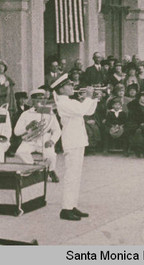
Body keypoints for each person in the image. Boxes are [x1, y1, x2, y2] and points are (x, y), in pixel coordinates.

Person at [51, 73, 99, 221]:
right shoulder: (63, 102)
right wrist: (89, 97)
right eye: (69, 85)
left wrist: (94, 99)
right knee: (71, 176)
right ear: (61, 89)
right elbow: (81, 110)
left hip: (78, 140)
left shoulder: (71, 101)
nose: (73, 87)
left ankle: (72, 205)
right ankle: (66, 209)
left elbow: (88, 111)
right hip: (71, 142)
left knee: (76, 176)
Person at [14, 89, 61, 182]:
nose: (40, 102)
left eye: (42, 99)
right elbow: (16, 132)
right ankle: (34, 169)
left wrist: (52, 140)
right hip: (30, 140)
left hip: (45, 140)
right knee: (20, 152)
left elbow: (57, 130)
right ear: (32, 101)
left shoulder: (50, 113)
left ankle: (51, 170)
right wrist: (27, 127)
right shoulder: (26, 114)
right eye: (37, 99)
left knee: (51, 155)